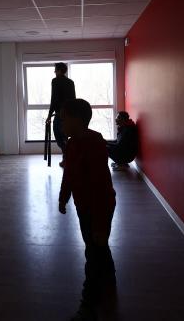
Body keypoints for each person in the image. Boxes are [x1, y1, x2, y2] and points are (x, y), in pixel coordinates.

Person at [58, 99, 116, 321]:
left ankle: (88, 306)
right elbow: (69, 174)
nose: (61, 124)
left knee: (92, 253)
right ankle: (109, 277)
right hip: (83, 207)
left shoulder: (94, 143)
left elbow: (102, 187)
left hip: (99, 207)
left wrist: (101, 223)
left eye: (64, 119)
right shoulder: (72, 144)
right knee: (96, 246)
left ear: (78, 120)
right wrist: (64, 198)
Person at [46, 62, 75, 167]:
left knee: (59, 137)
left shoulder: (55, 81)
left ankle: (67, 158)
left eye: (55, 70)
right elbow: (73, 99)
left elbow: (54, 99)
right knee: (65, 137)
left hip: (59, 114)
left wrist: (49, 115)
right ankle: (67, 158)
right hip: (69, 114)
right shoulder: (70, 82)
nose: (54, 72)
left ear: (59, 70)